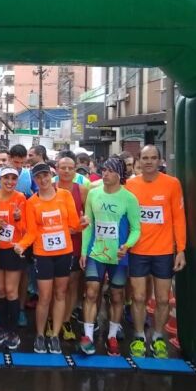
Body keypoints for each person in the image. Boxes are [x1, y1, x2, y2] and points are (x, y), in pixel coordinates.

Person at [126, 145, 186, 358]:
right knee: (139, 296)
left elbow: (179, 218)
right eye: (145, 158)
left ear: (160, 161)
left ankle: (158, 337)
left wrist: (181, 249)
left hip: (163, 251)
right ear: (139, 161)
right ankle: (140, 336)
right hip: (138, 251)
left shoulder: (172, 184)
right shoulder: (131, 185)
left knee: (162, 299)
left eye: (153, 158)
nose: (149, 162)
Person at [15, 163, 81, 354]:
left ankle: (54, 336)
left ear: (51, 177)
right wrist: (22, 245)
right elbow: (32, 232)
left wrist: (82, 224)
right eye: (38, 177)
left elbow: (74, 224)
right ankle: (40, 335)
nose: (42, 180)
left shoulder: (65, 195)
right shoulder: (32, 202)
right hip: (43, 254)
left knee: (60, 294)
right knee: (44, 296)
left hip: (64, 253)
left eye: (45, 176)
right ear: (34, 180)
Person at [80, 158, 141, 356]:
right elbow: (88, 225)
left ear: (119, 175)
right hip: (96, 252)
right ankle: (87, 335)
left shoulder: (129, 198)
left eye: (110, 171)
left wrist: (127, 245)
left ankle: (112, 336)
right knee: (90, 292)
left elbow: (136, 229)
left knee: (117, 296)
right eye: (103, 170)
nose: (104, 174)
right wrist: (83, 251)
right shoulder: (93, 194)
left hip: (118, 256)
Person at [0, 167, 26, 350]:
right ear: (0, 179)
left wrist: (19, 219)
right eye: (6, 178)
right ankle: (2, 327)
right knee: (0, 289)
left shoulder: (20, 198)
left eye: (13, 178)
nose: (10, 182)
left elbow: (26, 229)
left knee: (11, 290)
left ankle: (13, 330)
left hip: (13, 249)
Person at [55, 155, 88, 341]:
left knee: (72, 284)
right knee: (55, 287)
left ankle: (66, 319)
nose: (66, 171)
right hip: (54, 244)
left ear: (75, 170)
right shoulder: (50, 188)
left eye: (70, 168)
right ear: (57, 169)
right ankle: (53, 319)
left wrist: (83, 223)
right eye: (63, 167)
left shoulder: (82, 191)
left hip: (75, 243)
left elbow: (88, 216)